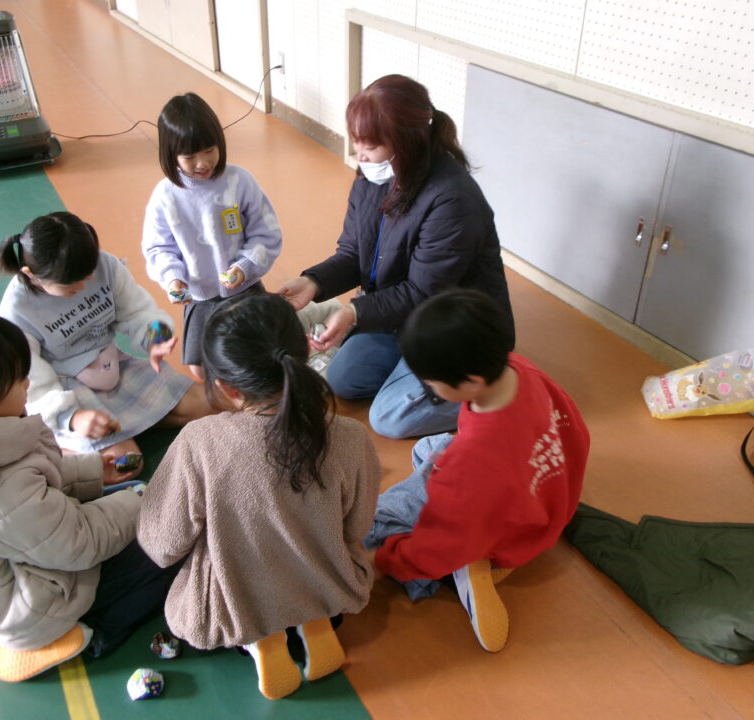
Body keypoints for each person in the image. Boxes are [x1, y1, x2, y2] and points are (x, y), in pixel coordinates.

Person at [0, 313, 179, 682]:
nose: (28, 384)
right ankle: (87, 632)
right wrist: (144, 502)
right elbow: (79, 541)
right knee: (172, 544)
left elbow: (34, 481)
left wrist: (93, 471)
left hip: (18, 556)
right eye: (19, 379)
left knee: (138, 507)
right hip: (29, 608)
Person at [137, 293, 381, 700]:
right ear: (304, 352)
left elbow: (163, 544)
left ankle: (261, 641)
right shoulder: (351, 436)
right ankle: (314, 621)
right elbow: (357, 526)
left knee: (211, 579)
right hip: (330, 590)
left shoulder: (200, 442)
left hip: (234, 611)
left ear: (227, 388)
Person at [278, 74, 514, 439]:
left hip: (451, 328)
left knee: (388, 418)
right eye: (358, 144)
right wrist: (313, 282)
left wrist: (355, 312)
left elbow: (423, 292)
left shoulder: (452, 198)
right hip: (399, 316)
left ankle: (500, 385)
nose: (360, 156)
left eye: (370, 147)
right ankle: (411, 375)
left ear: (405, 142)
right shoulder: (372, 177)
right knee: (343, 379)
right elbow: (354, 252)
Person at [369, 289, 590, 653]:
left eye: (431, 383)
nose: (428, 389)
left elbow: (441, 540)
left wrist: (386, 561)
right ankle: (473, 551)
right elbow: (575, 432)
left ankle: (474, 562)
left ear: (471, 381)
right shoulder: (522, 368)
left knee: (377, 520)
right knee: (428, 448)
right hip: (549, 503)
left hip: (502, 531)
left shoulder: (471, 464)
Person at [0, 211, 210, 481]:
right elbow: (33, 382)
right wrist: (71, 418)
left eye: (88, 277)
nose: (84, 286)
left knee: (207, 404)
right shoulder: (16, 310)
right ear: (32, 275)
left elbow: (137, 310)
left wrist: (155, 338)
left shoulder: (104, 264)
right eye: (70, 285)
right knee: (126, 464)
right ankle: (57, 447)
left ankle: (129, 423)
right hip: (67, 390)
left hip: (113, 366)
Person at [142, 92, 282, 381]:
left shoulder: (240, 181)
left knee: (262, 355)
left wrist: (244, 266)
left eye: (209, 150)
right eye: (189, 157)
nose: (202, 163)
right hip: (200, 297)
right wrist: (173, 278)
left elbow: (266, 233)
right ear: (170, 155)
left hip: (245, 289)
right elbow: (157, 248)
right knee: (199, 368)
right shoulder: (165, 196)